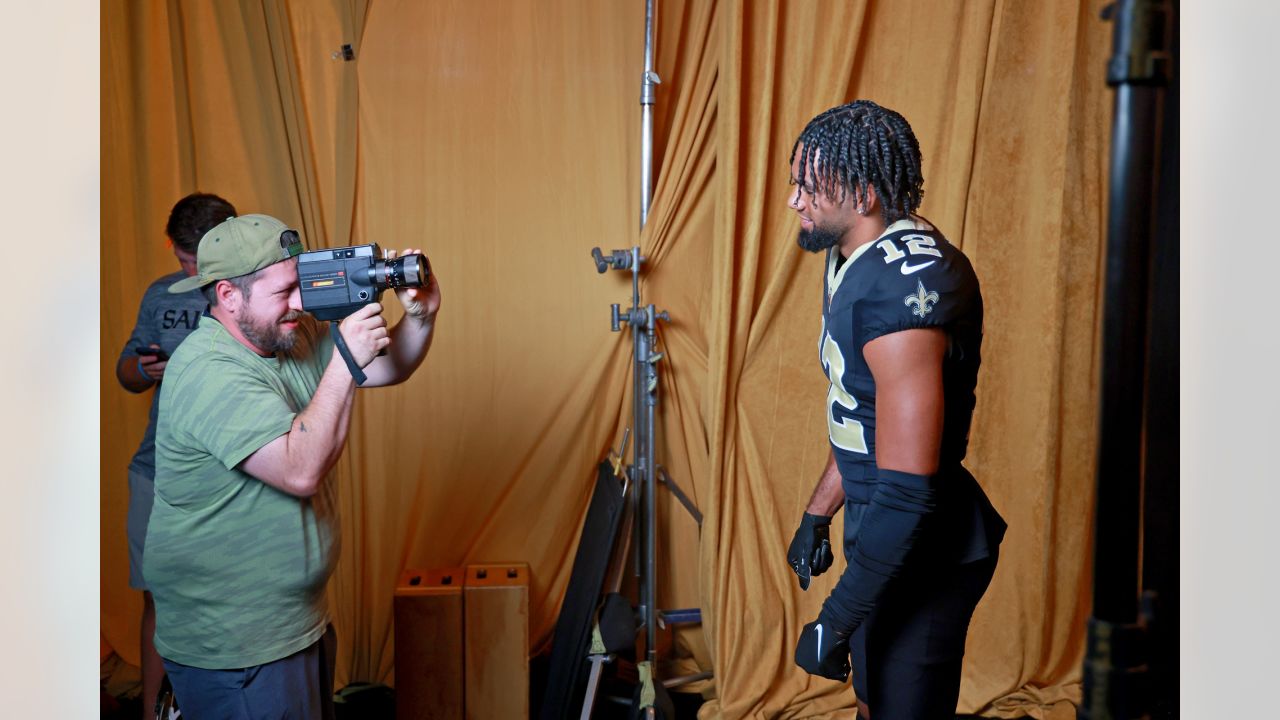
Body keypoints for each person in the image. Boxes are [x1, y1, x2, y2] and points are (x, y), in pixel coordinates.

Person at [143, 213, 441, 718]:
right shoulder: (208, 371)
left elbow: (388, 367)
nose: (300, 303)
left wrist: (421, 316)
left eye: (300, 285)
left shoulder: (285, 334)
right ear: (228, 296)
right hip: (238, 644)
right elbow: (300, 470)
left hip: (295, 622)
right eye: (284, 291)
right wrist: (346, 359)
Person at [783, 100, 1007, 719]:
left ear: (862, 194)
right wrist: (818, 512)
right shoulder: (856, 253)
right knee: (872, 696)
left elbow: (909, 490)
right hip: (882, 525)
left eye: (809, 186)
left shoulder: (904, 293)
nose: (794, 201)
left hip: (923, 542)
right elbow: (865, 415)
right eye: (794, 182)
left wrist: (834, 619)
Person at [114, 191, 237, 718]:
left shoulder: (251, 293)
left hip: (231, 473)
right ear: (172, 248)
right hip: (157, 472)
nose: (195, 271)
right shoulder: (161, 295)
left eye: (204, 258)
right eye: (185, 260)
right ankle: (153, 711)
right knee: (158, 600)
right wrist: (143, 370)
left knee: (233, 597)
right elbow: (125, 369)